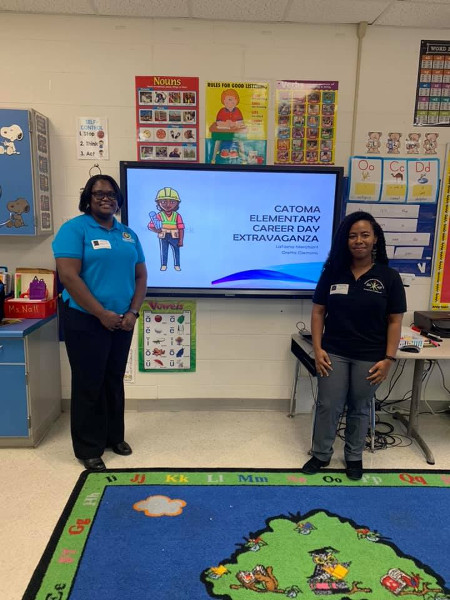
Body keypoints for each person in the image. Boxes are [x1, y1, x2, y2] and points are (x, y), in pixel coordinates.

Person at [52, 175, 147, 471]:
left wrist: (132, 312)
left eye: (111, 194)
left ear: (118, 200)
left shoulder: (128, 234)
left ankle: (112, 437)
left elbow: (141, 276)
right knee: (88, 382)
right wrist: (100, 313)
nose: (106, 198)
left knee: (112, 379)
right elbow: (69, 276)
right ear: (88, 199)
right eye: (99, 193)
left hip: (122, 320)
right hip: (85, 319)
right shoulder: (74, 229)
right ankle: (88, 447)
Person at [302, 211, 406, 480]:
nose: (358, 240)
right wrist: (318, 348)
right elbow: (318, 312)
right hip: (333, 352)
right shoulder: (333, 273)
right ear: (345, 241)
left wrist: (389, 359)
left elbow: (395, 321)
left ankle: (353, 457)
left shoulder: (389, 277)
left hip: (371, 357)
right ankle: (321, 454)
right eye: (352, 236)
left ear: (375, 240)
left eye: (364, 235)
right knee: (328, 405)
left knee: (360, 407)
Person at [148, 187, 184, 271]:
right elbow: (150, 226)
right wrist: (157, 230)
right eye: (163, 202)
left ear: (177, 203)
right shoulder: (159, 215)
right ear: (159, 203)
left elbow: (181, 228)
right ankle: (164, 265)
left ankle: (177, 265)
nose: (168, 205)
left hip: (175, 236)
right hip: (163, 236)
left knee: (176, 251)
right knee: (164, 251)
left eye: (172, 202)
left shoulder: (177, 216)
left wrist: (181, 240)